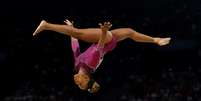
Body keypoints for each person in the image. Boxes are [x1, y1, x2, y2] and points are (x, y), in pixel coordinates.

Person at [33, 19, 171, 93]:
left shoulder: (77, 65)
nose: (77, 82)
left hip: (107, 40)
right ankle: (47, 25)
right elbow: (99, 46)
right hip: (105, 40)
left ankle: (156, 40)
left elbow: (75, 47)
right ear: (86, 77)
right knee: (79, 33)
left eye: (78, 85)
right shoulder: (91, 65)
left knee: (130, 32)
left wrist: (71, 28)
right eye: (81, 83)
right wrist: (104, 32)